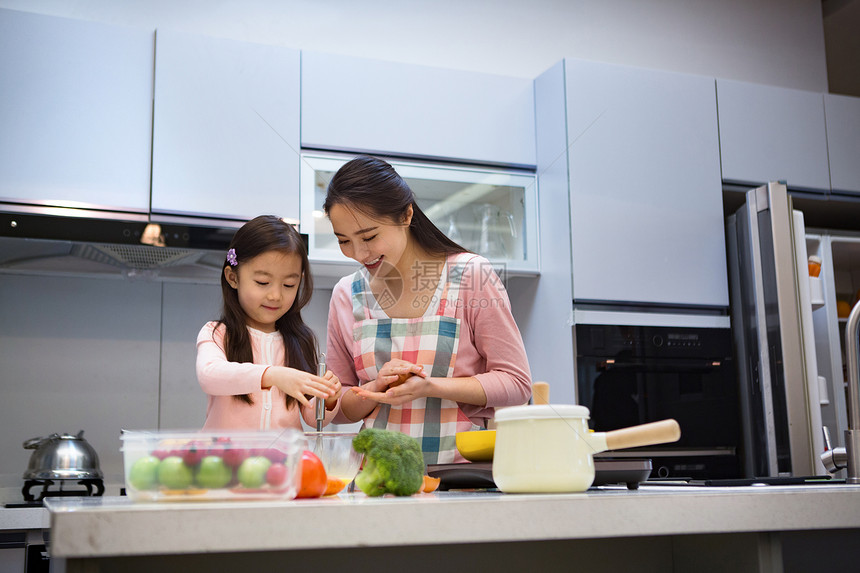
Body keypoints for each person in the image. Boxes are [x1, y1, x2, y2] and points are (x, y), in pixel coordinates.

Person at [325, 156, 532, 464]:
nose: (359, 253)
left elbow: (517, 384)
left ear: (406, 215)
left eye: (369, 237)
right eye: (344, 241)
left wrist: (431, 387)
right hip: (376, 484)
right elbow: (338, 410)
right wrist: (373, 387)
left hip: (461, 483)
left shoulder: (471, 276)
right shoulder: (346, 294)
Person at [197, 215, 341, 431]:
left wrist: (328, 398)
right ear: (232, 277)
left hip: (283, 462)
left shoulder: (300, 340)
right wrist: (273, 375)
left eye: (289, 284)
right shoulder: (217, 333)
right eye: (262, 282)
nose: (275, 295)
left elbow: (311, 416)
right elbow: (210, 376)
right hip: (228, 462)